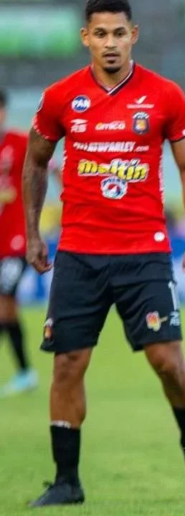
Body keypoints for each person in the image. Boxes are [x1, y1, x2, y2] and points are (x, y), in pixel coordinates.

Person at [23, 0, 185, 506]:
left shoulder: (165, 95)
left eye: (118, 33)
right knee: (68, 362)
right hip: (80, 255)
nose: (110, 43)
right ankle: (67, 480)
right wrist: (34, 233)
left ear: (134, 34)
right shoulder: (60, 97)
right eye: (100, 33)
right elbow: (36, 162)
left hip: (144, 252)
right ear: (85, 36)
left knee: (167, 360)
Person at [0, 88, 39, 397]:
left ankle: (25, 373)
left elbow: (50, 168)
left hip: (17, 242)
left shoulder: (19, 143)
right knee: (9, 310)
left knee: (3, 304)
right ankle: (26, 372)